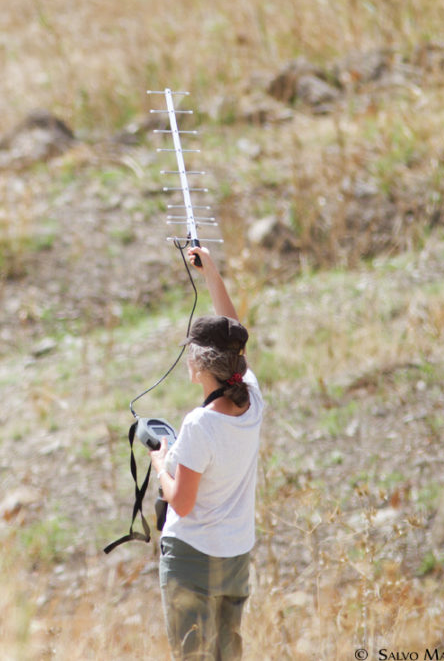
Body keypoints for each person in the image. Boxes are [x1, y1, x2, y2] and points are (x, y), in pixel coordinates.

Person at [149, 245, 264, 660]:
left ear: (199, 362)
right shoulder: (251, 396)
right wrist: (211, 272)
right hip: (235, 558)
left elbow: (180, 499)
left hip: (193, 562)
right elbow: (234, 330)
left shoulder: (200, 425)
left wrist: (161, 464)